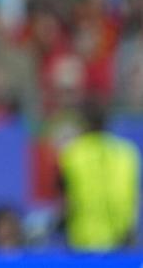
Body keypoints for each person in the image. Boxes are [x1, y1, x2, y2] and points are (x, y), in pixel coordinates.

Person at [59, 101, 140, 252]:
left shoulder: (72, 153)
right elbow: (134, 198)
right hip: (121, 241)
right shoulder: (128, 153)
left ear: (83, 123)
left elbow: (66, 201)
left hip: (83, 242)